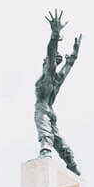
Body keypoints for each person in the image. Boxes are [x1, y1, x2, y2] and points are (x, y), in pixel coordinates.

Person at [34, 9, 82, 175]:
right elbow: (65, 65)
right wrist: (73, 56)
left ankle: (47, 151)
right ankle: (71, 162)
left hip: (43, 109)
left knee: (47, 135)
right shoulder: (54, 79)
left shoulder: (48, 78)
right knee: (57, 138)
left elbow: (52, 58)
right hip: (51, 110)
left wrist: (55, 37)